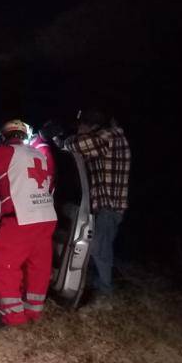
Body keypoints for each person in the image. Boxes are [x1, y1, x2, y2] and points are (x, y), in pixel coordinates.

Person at [0, 120, 57, 325]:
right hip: (45, 217)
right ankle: (33, 311)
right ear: (23, 136)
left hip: (21, 218)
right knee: (38, 266)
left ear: (3, 137)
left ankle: (13, 317)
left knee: (3, 266)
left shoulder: (5, 153)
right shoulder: (37, 154)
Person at [63, 110, 131, 295]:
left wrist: (66, 140)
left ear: (90, 125)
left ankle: (105, 293)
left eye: (80, 126)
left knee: (100, 250)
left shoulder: (109, 136)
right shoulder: (105, 140)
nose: (78, 130)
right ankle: (95, 288)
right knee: (98, 250)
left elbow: (73, 145)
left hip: (109, 207)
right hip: (104, 207)